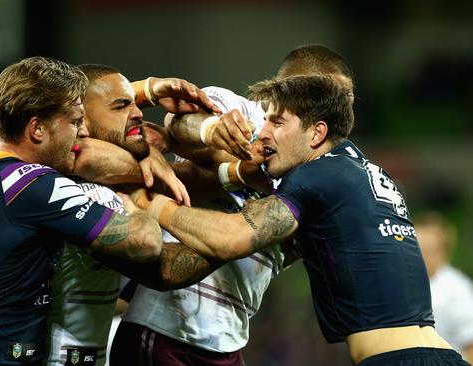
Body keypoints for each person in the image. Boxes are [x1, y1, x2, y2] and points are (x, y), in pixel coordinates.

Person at [126, 74, 469, 365]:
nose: (263, 133)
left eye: (277, 123)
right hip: (440, 354)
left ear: (317, 133)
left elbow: (232, 237)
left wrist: (148, 203)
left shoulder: (316, 175)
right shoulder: (362, 170)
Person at [0, 56, 198, 365]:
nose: (83, 132)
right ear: (36, 129)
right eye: (75, 121)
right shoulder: (33, 184)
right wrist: (134, 208)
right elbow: (147, 243)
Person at [110, 44, 352, 366]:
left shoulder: (315, 164)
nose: (343, 109)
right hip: (166, 325)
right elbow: (181, 124)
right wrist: (211, 131)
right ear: (294, 84)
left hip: (229, 336)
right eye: (336, 95)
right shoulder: (238, 110)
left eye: (348, 100)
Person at [45, 63, 223, 366]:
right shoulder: (79, 193)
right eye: (121, 105)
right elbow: (166, 269)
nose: (138, 112)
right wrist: (241, 239)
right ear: (81, 120)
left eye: (134, 102)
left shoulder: (106, 183)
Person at [416, 212, 473, 363]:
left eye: (427, 249)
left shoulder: (457, 290)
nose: (419, 254)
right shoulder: (408, 282)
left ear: (443, 252)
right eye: (415, 247)